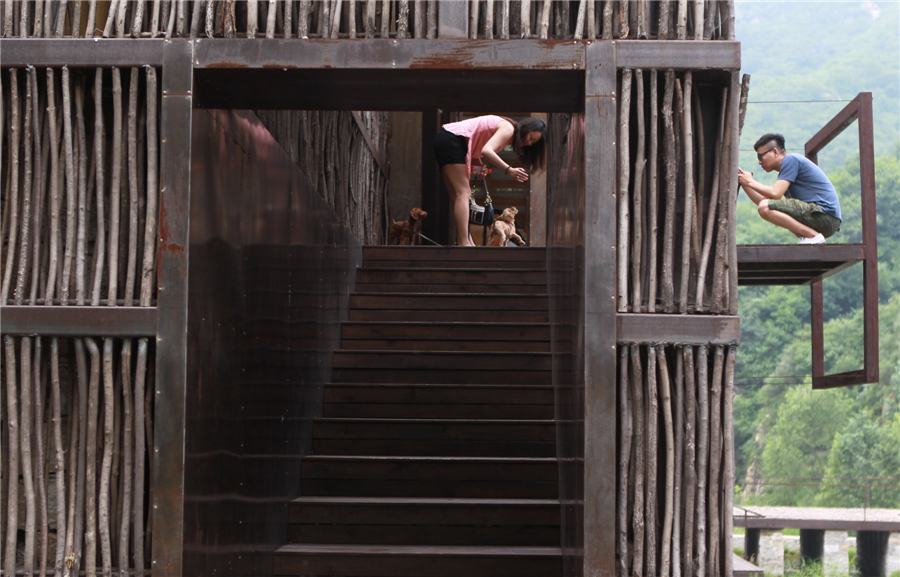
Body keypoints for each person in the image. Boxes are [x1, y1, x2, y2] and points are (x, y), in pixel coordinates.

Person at [433, 115, 546, 246]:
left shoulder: (508, 131)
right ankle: (464, 242)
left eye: (533, 142)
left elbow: (474, 140)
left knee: (457, 195)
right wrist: (508, 169)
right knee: (463, 193)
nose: (529, 142)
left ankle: (466, 240)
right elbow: (486, 150)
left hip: (447, 138)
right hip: (452, 139)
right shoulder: (508, 128)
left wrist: (478, 163)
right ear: (526, 128)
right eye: (531, 138)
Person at [738, 133, 841, 245]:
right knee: (767, 207)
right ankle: (807, 237)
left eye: (760, 156)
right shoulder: (787, 170)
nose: (759, 162)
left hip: (825, 215)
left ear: (775, 152)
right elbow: (763, 203)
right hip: (825, 219)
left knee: (766, 206)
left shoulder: (791, 160)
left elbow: (775, 193)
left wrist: (750, 181)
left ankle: (813, 236)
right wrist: (745, 183)